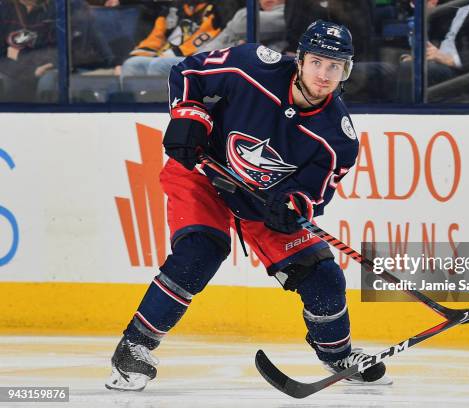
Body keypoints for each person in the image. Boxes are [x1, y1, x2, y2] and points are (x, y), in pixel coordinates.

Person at [105, 20, 392, 392]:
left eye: (335, 66)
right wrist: (189, 118)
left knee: (323, 276)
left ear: (346, 71)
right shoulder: (253, 65)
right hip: (203, 172)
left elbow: (315, 193)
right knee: (200, 251)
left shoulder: (338, 138)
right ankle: (134, 347)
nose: (324, 74)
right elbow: (187, 71)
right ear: (300, 59)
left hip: (259, 201)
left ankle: (337, 356)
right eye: (318, 62)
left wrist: (293, 205)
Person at [119, 0, 221, 78]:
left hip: (194, 56)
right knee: (131, 64)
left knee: (159, 65)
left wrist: (176, 52)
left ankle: (159, 104)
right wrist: (138, 54)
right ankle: (131, 104)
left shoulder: (217, 8)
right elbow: (156, 36)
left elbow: (207, 36)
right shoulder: (175, 7)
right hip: (164, 55)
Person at [0, 0, 56, 102]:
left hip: (44, 68)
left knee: (49, 84)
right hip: (11, 69)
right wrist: (28, 70)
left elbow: (56, 48)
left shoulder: (53, 9)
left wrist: (46, 65)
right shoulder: (4, 9)